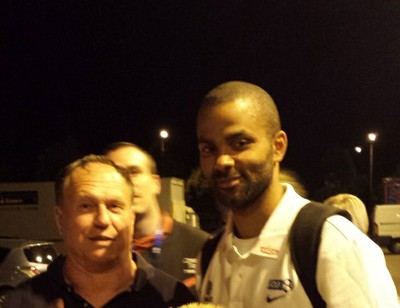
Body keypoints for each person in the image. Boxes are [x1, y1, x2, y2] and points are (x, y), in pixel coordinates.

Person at [195, 81, 399, 307]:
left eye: (240, 143)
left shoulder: (331, 243)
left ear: (278, 147)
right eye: (208, 149)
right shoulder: (209, 256)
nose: (222, 161)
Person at [3, 155, 195, 307]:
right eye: (86, 206)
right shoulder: (23, 301)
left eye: (114, 206)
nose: (103, 220)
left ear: (131, 217)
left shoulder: (172, 298)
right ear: (60, 219)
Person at [104, 142, 209, 290]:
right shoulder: (98, 253)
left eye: (134, 172)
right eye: (117, 175)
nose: (126, 182)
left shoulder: (202, 246)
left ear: (156, 184)